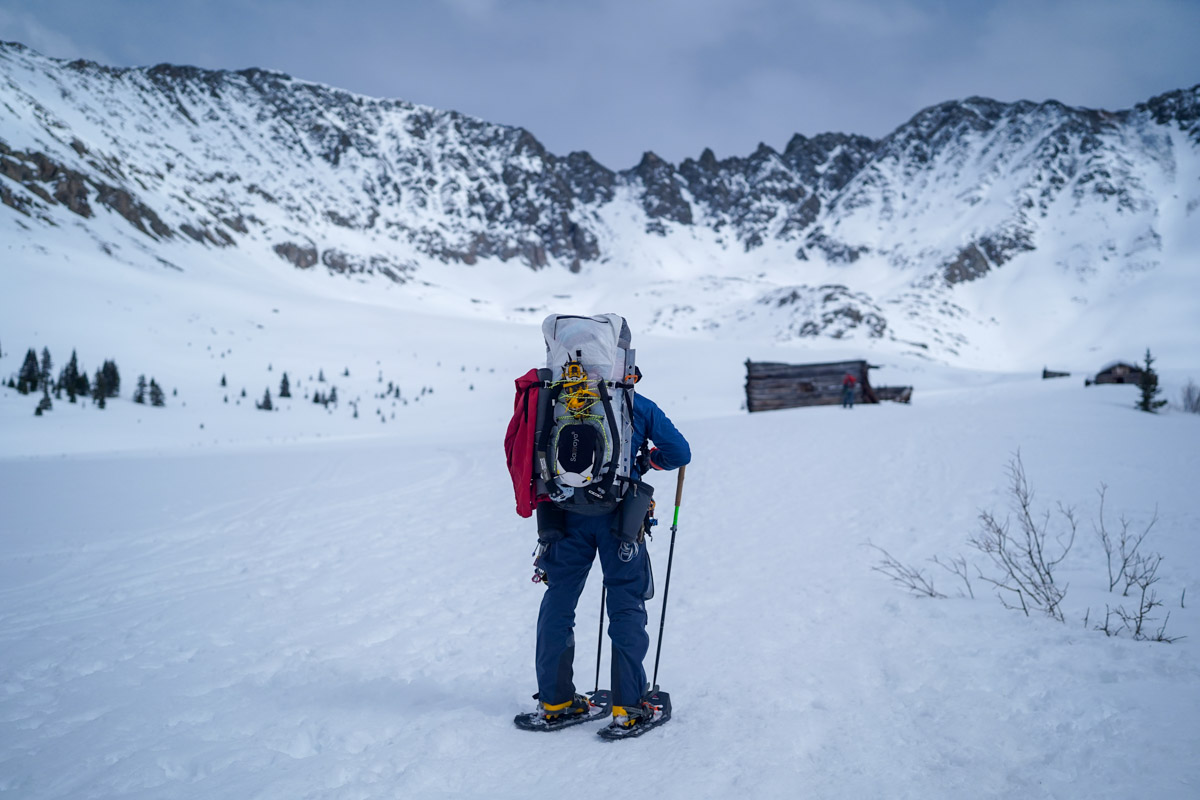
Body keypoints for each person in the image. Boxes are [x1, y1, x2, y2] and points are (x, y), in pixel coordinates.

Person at [532, 388, 690, 733]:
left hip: (564, 514)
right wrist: (648, 461)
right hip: (621, 519)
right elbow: (679, 452)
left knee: (559, 600)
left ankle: (555, 703)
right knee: (625, 602)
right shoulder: (634, 403)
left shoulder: (554, 397)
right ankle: (628, 707)